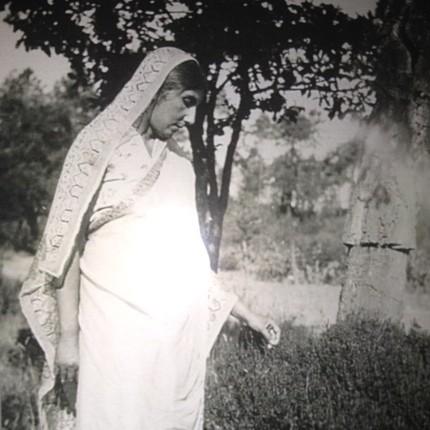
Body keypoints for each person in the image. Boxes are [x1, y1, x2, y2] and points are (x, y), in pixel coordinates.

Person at [20, 47, 281, 430]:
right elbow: (65, 247)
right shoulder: (96, 145)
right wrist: (68, 338)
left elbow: (190, 262)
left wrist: (250, 317)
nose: (190, 118)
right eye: (186, 102)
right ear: (158, 91)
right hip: (108, 336)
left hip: (169, 343)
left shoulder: (179, 167)